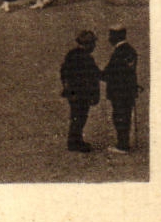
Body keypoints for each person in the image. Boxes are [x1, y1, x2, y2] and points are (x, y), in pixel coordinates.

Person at [60, 30, 102, 152]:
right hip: (81, 93)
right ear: (87, 44)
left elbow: (63, 72)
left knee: (76, 117)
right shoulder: (86, 58)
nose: (94, 46)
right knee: (80, 117)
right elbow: (95, 74)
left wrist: (66, 87)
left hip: (73, 93)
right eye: (93, 43)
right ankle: (74, 142)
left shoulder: (71, 54)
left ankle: (75, 141)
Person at [102, 26, 140, 154]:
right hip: (128, 90)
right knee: (126, 116)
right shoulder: (131, 50)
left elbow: (110, 72)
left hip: (118, 90)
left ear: (116, 36)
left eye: (111, 35)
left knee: (119, 116)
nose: (109, 38)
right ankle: (124, 142)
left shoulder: (118, 52)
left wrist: (96, 74)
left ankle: (122, 145)